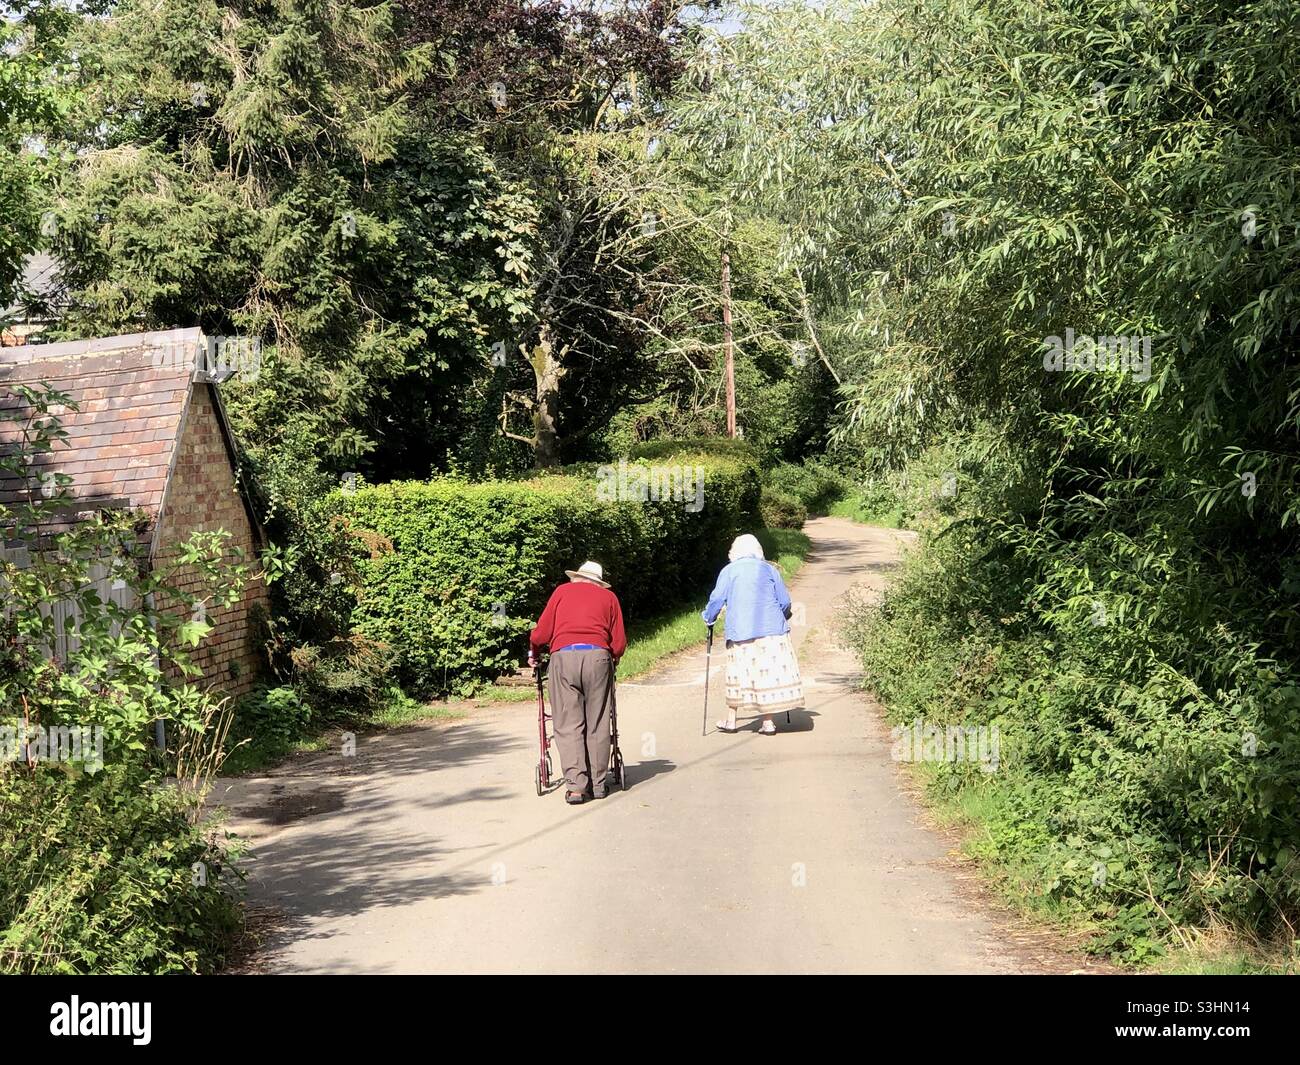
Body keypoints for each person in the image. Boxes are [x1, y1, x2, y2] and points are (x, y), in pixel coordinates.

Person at [530, 560, 627, 804]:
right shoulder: (609, 598)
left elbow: (541, 633)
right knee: (598, 720)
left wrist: (534, 650)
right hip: (597, 658)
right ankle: (598, 783)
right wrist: (611, 657)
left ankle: (576, 787)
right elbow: (619, 644)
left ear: (577, 578)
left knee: (567, 722)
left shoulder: (562, 592)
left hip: (563, 658)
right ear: (598, 582)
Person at [701, 533, 803, 735]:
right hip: (771, 630)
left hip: (741, 631)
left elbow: (716, 599)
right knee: (765, 674)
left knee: (738, 673)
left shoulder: (729, 571)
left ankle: (731, 721)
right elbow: (784, 602)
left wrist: (708, 618)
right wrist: (779, 617)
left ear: (734, 551)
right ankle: (768, 723)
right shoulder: (769, 569)